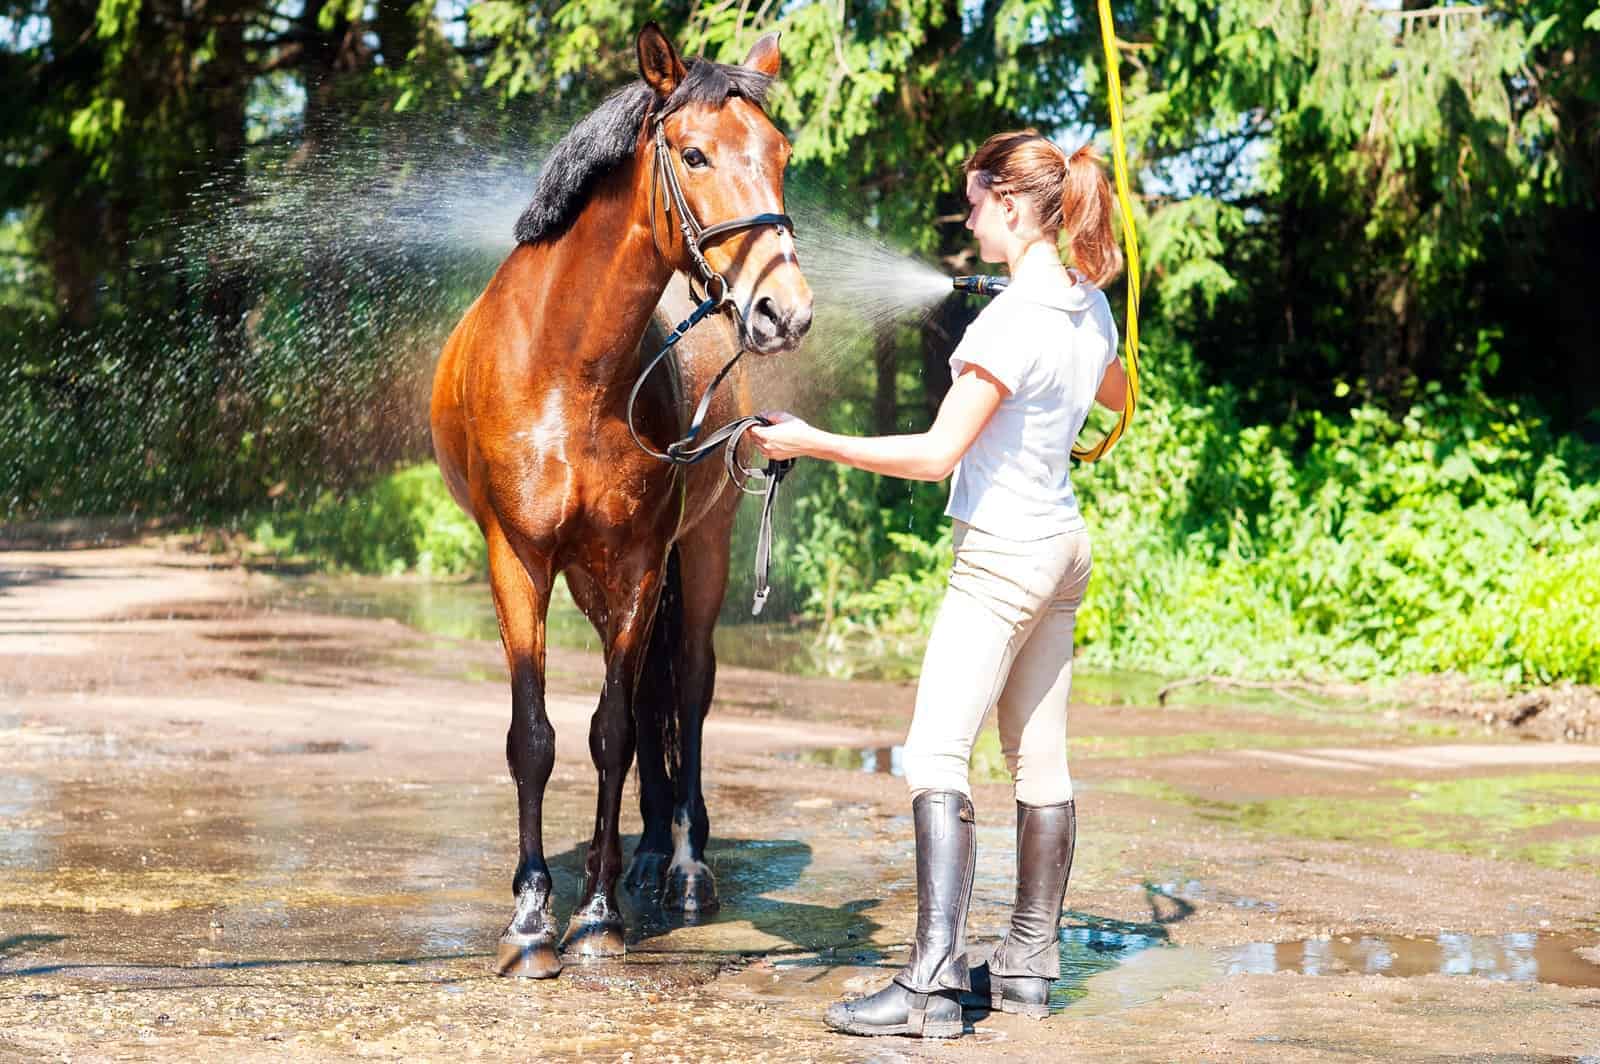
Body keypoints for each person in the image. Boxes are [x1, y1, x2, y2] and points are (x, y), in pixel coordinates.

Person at [748, 129, 1128, 1039]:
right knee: (1039, 760)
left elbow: (934, 454)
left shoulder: (1008, 324)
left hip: (1001, 556)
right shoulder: (1084, 306)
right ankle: (1031, 966)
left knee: (933, 755)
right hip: (1064, 548)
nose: (966, 217)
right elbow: (1114, 399)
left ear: (1009, 206)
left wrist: (814, 441)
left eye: (973, 202)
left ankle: (930, 987)